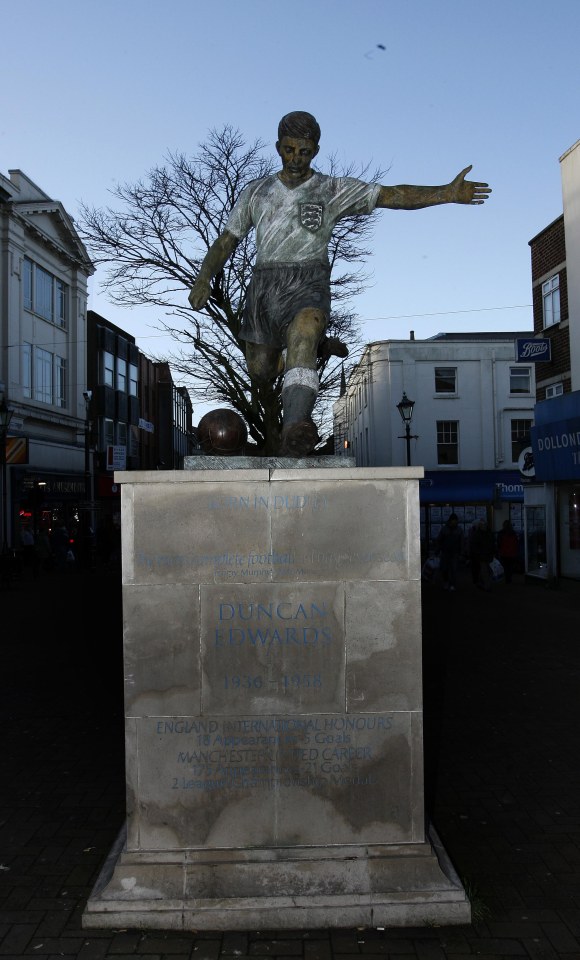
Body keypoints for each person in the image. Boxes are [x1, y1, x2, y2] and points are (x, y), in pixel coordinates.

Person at [189, 111, 491, 456]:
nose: (296, 158)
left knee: (303, 330)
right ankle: (314, 349)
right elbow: (227, 239)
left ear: (315, 150)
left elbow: (391, 195)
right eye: (289, 150)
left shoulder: (332, 189)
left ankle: (295, 426)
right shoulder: (256, 192)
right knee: (260, 371)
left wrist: (446, 193)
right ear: (278, 147)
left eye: (304, 151)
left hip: (308, 281)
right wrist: (203, 278)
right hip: (265, 285)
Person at [435, 513, 464, 591]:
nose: (454, 522)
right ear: (450, 521)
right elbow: (439, 540)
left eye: (455, 520)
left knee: (453, 570)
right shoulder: (445, 529)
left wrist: (461, 553)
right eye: (453, 520)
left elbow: (462, 542)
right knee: (445, 569)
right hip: (446, 553)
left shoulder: (457, 529)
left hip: (454, 553)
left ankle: (451, 584)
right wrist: (437, 551)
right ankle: (447, 582)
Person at [469, 519, 495, 591]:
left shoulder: (478, 534)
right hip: (484, 556)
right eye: (483, 525)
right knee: (486, 571)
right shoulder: (487, 534)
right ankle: (487, 586)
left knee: (486, 571)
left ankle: (482, 582)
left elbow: (474, 546)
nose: (484, 526)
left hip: (485, 555)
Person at [497, 519, 519, 584]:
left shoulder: (501, 533)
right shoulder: (513, 533)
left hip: (504, 553)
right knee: (510, 566)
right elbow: (516, 542)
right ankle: (509, 578)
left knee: (505, 566)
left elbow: (499, 543)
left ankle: (507, 578)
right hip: (512, 553)